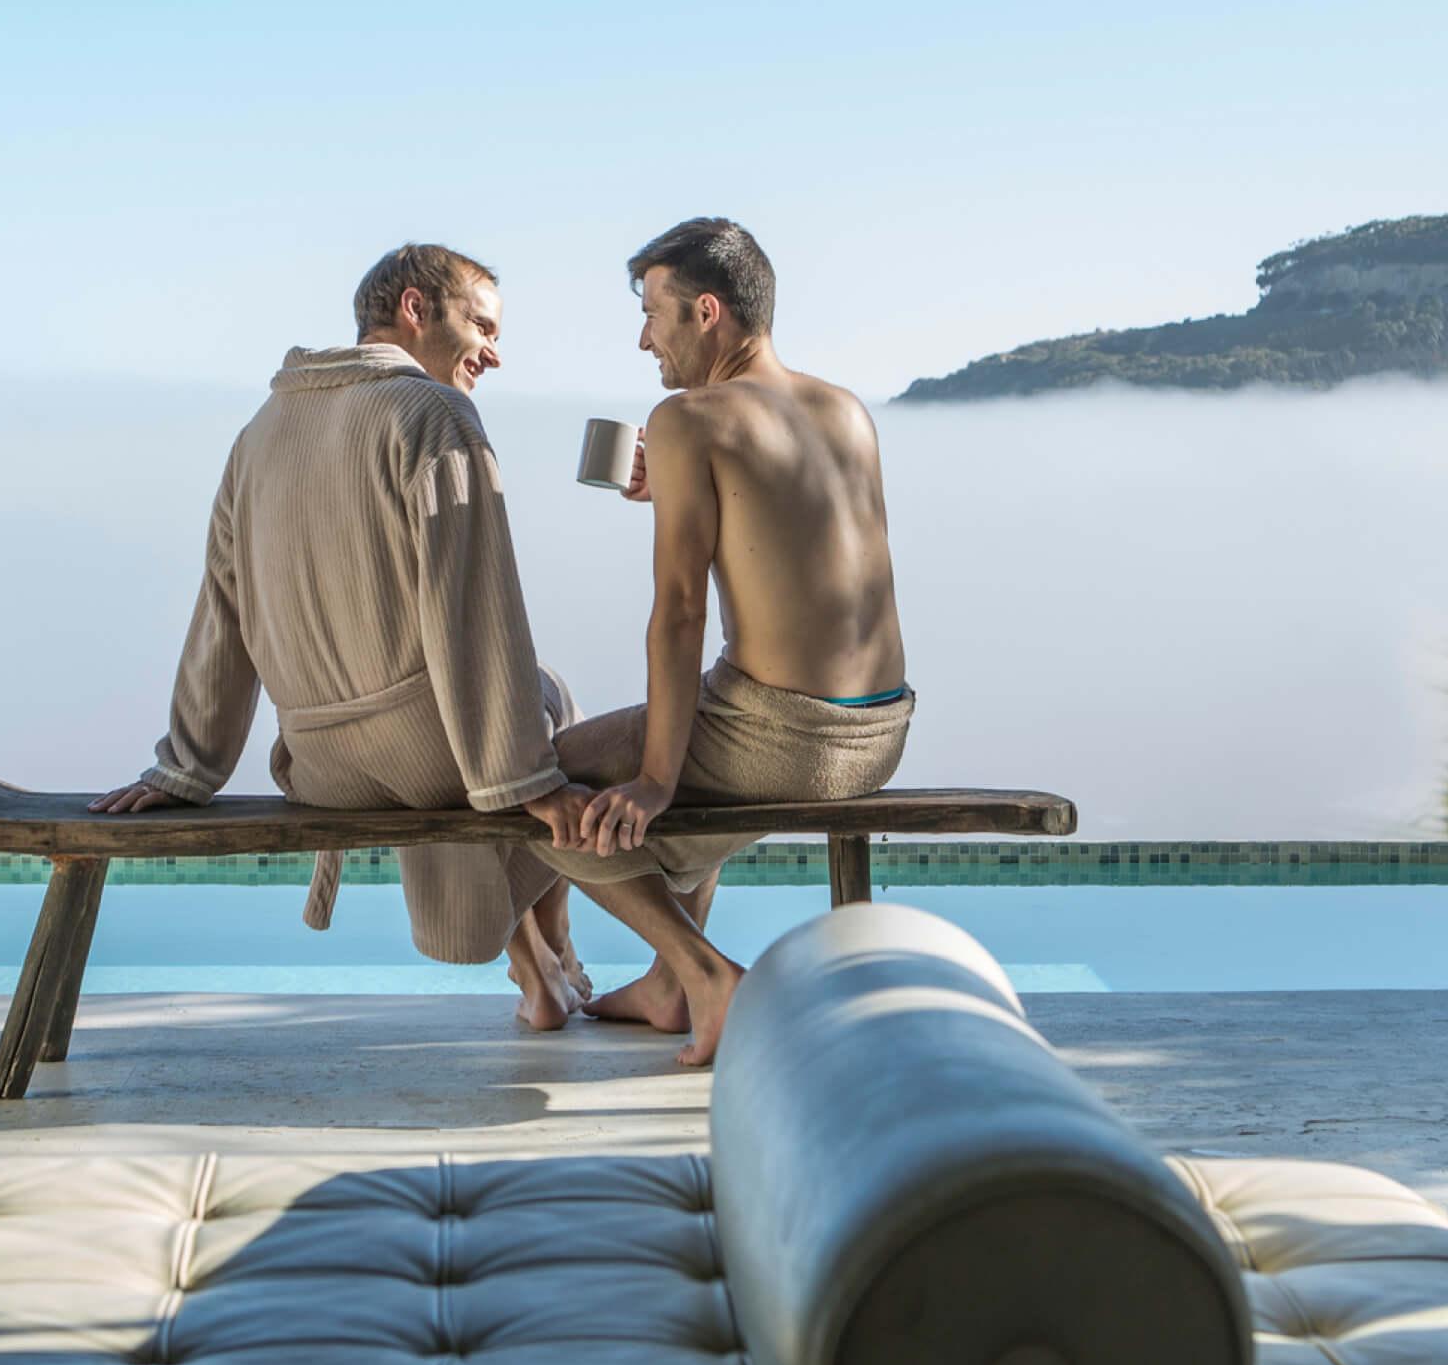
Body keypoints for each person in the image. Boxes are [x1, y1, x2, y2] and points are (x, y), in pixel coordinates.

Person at [87, 243, 595, 1031]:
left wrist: (187, 766)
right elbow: (472, 615)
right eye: (482, 326)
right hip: (431, 760)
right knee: (543, 698)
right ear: (415, 310)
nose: (494, 353)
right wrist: (521, 781)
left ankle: (536, 970)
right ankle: (550, 942)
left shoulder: (258, 433)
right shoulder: (432, 413)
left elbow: (222, 607)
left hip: (320, 765)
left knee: (496, 715)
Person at [540, 217, 914, 1066]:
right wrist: (675, 490)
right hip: (880, 731)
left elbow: (678, 610)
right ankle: (668, 984)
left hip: (785, 741)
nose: (643, 339)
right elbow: (790, 535)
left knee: (534, 786)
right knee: (706, 701)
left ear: (706, 312)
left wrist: (654, 781)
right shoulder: (843, 409)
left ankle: (701, 973)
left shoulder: (687, 418)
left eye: (653, 312)